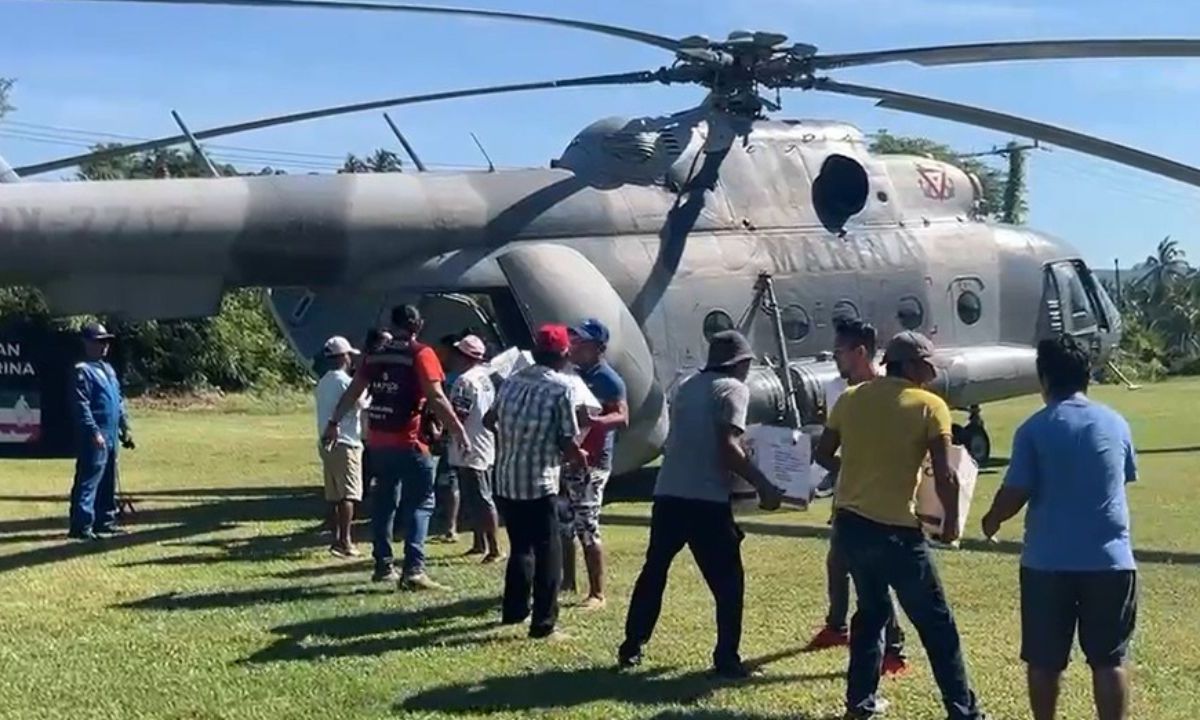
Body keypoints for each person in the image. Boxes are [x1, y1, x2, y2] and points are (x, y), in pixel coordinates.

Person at [815, 330, 986, 720]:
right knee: (937, 625)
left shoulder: (851, 398)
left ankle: (860, 704)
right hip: (897, 532)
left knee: (870, 614)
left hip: (850, 527)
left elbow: (823, 454)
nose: (930, 375)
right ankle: (963, 711)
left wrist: (857, 471)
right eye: (926, 367)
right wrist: (952, 525)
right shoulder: (929, 406)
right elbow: (946, 475)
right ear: (909, 365)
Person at [981, 336, 1138, 720]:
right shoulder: (1116, 423)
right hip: (1110, 561)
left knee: (1045, 661)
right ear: (1087, 376)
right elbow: (1123, 477)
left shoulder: (1034, 429)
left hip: (1048, 563)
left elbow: (1016, 491)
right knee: (1109, 660)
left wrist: (992, 519)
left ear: (1044, 378)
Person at [618, 330, 784, 679]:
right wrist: (763, 484)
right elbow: (727, 446)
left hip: (668, 492)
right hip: (705, 499)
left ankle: (632, 645)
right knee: (728, 583)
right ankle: (726, 659)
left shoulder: (687, 385)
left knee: (654, 571)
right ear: (741, 363)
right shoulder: (734, 389)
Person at [325, 304, 465, 590]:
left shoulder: (376, 354)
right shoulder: (421, 354)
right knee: (421, 503)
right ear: (418, 324)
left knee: (385, 502)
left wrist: (334, 421)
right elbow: (435, 397)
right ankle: (414, 569)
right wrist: (458, 429)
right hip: (411, 440)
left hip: (379, 440)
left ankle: (383, 565)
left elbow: (354, 390)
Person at [807, 320, 908, 677]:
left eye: (839, 351)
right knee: (837, 562)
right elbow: (831, 446)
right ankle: (837, 628)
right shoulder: (838, 389)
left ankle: (894, 649)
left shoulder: (890, 389)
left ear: (860, 352)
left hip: (880, 498)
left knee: (876, 574)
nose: (834, 358)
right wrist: (843, 469)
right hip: (847, 492)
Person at [485, 324, 587, 640]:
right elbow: (568, 438)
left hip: (506, 478)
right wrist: (578, 456)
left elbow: (490, 420)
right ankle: (544, 623)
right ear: (564, 354)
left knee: (520, 547)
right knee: (548, 550)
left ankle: (514, 611)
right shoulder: (562, 388)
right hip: (539, 481)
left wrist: (514, 437)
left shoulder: (512, 381)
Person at [563, 318, 628, 611]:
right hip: (569, 457)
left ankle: (598, 594)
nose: (574, 346)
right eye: (572, 340)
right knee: (565, 523)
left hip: (594, 462)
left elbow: (622, 418)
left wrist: (595, 421)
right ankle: (566, 581)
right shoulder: (571, 373)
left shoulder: (609, 379)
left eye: (581, 342)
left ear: (598, 348)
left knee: (587, 524)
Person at [68, 322, 135, 541]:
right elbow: (81, 406)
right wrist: (93, 431)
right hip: (96, 433)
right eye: (98, 342)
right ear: (87, 344)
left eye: (105, 342)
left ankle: (105, 521)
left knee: (108, 479)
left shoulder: (108, 369)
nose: (104, 346)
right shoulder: (82, 371)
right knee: (89, 479)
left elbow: (119, 400)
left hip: (112, 432)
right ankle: (81, 526)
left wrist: (125, 427)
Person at [446, 333, 503, 563]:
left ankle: (494, 548)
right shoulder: (487, 378)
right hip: (484, 442)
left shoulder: (464, 381)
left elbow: (459, 413)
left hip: (468, 445)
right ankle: (480, 543)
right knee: (476, 496)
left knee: (480, 497)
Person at [316, 335, 367, 558]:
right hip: (346, 441)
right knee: (349, 494)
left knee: (334, 494)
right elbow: (360, 404)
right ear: (344, 356)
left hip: (327, 442)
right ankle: (345, 541)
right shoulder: (345, 382)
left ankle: (337, 537)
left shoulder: (323, 381)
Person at [432, 333, 464, 543]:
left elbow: (452, 409)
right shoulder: (446, 374)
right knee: (445, 479)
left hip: (452, 434)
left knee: (450, 478)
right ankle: (446, 517)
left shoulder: (456, 380)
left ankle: (451, 526)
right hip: (447, 433)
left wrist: (442, 429)